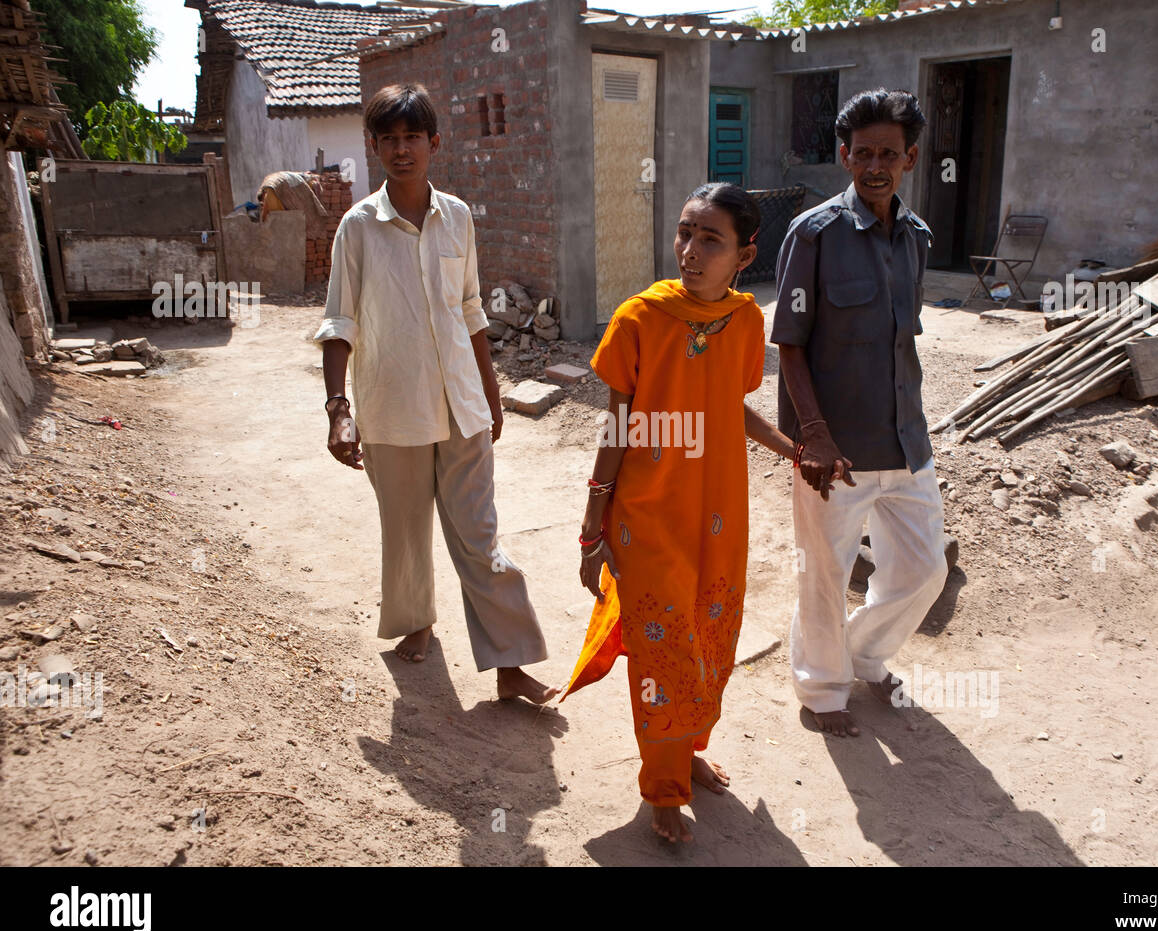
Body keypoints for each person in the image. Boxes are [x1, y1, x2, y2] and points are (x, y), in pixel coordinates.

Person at [563, 184, 794, 844]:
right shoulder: (639, 319)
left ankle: (687, 751)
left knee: (710, 640)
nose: (690, 251)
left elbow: (729, 405)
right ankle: (661, 785)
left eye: (710, 240)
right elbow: (615, 427)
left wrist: (789, 447)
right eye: (685, 233)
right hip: (648, 517)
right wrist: (592, 528)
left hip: (718, 515)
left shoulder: (748, 322)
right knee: (663, 652)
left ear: (744, 254)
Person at [314, 83, 555, 705]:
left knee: (479, 533)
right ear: (374, 148)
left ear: (433, 144)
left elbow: (471, 309)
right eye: (388, 140)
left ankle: (510, 663)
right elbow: (340, 321)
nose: (401, 150)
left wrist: (492, 390)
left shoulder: (459, 216)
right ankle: (415, 621)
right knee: (406, 527)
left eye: (412, 138)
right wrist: (339, 411)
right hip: (392, 407)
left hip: (463, 403)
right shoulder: (358, 227)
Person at [771, 89, 949, 739]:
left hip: (906, 440)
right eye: (863, 152)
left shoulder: (917, 239)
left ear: (911, 159)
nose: (876, 164)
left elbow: (903, 342)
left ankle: (864, 655)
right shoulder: (811, 234)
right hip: (832, 449)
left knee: (925, 568)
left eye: (890, 153)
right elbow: (789, 342)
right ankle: (822, 692)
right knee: (824, 574)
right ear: (845, 156)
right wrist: (810, 434)